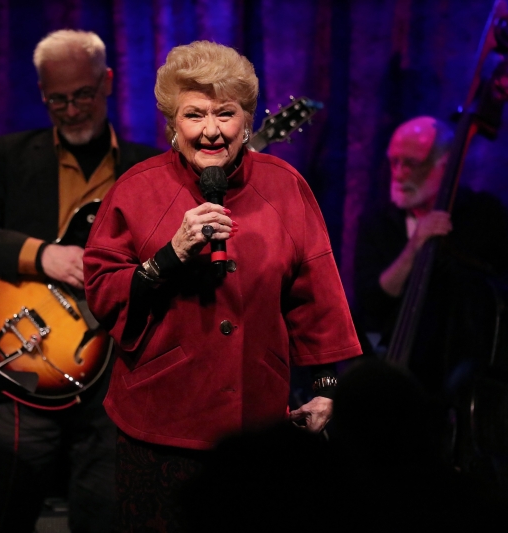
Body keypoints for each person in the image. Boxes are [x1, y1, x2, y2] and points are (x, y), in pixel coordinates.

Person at [82, 40, 362, 532]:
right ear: (172, 124)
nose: (211, 130)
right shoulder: (135, 189)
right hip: (159, 426)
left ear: (247, 121)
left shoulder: (285, 186)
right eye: (194, 115)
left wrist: (326, 386)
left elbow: (315, 298)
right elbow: (103, 293)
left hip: (258, 429)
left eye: (225, 114)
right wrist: (169, 257)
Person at [0, 29, 160, 533]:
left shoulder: (148, 168)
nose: (71, 109)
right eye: (56, 99)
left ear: (107, 82)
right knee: (4, 510)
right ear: (41, 94)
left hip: (112, 374)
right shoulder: (13, 155)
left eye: (83, 94)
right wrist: (45, 257)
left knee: (105, 512)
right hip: (29, 357)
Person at [353, 115, 508, 389]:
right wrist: (414, 247)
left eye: (412, 163)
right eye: (394, 161)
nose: (399, 172)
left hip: (469, 372)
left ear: (444, 165)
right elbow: (371, 299)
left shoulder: (484, 215)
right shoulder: (378, 223)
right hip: (398, 370)